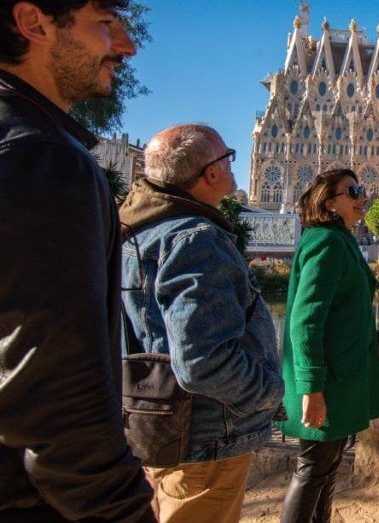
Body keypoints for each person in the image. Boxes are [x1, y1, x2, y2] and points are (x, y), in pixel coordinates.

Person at [0, 0, 155, 522]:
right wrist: (122, 512)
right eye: (103, 23)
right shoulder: (41, 158)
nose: (125, 46)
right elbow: (54, 396)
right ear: (34, 24)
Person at [120, 124, 284, 522]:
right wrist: (269, 391)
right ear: (210, 172)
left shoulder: (135, 233)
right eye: (227, 157)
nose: (233, 165)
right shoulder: (194, 238)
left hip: (155, 423)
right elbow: (202, 361)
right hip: (206, 437)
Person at [277, 168, 379, 522]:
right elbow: (305, 320)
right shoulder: (325, 242)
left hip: (339, 377)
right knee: (312, 468)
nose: (362, 197)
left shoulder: (338, 240)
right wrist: (311, 388)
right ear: (329, 202)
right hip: (328, 382)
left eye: (362, 189)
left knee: (326, 467)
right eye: (352, 191)